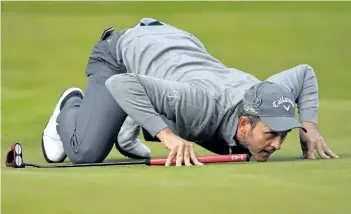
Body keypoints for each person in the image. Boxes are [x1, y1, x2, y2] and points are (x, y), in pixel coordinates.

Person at [41, 18, 338, 166]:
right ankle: (70, 105)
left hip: (174, 49)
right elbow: (121, 84)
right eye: (272, 133)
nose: (277, 144)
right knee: (86, 152)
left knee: (234, 147)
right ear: (245, 122)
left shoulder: (266, 95)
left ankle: (129, 122)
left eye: (282, 135)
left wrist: (308, 126)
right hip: (121, 57)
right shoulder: (200, 106)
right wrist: (166, 136)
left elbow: (304, 73)